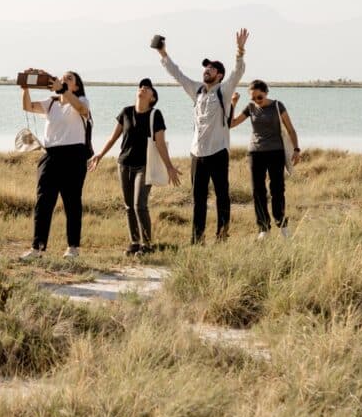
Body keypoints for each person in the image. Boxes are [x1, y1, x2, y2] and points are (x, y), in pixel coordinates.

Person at [156, 29, 248, 244]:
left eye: (212, 68)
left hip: (218, 152)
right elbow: (177, 74)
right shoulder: (196, 90)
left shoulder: (223, 91)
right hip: (197, 153)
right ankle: (197, 239)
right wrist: (163, 53)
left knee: (222, 196)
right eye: (206, 67)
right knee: (198, 199)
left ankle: (222, 235)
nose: (207, 70)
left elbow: (237, 72)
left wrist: (240, 50)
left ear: (219, 75)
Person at [89, 79, 181, 255]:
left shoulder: (156, 114)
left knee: (140, 205)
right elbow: (113, 137)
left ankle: (147, 245)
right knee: (129, 206)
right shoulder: (126, 112)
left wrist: (169, 166)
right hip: (124, 164)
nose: (143, 89)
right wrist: (100, 155)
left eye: (147, 88)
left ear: (152, 98)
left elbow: (160, 143)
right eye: (141, 87)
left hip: (144, 166)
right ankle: (134, 242)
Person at [20, 71, 92, 259]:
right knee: (43, 202)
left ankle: (73, 247)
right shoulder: (50, 102)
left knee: (72, 202)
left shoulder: (81, 100)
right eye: (63, 77)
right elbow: (27, 106)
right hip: (50, 155)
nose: (64, 79)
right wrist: (25, 88)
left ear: (76, 86)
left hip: (74, 155)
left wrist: (63, 90)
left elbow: (83, 110)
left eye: (70, 78)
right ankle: (37, 248)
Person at [230, 80, 301, 239]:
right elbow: (231, 123)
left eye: (259, 97)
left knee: (277, 190)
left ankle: (282, 225)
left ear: (266, 93)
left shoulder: (277, 105)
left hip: (276, 152)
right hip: (255, 153)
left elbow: (290, 129)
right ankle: (263, 228)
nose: (256, 100)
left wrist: (296, 149)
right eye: (253, 98)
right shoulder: (250, 108)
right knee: (258, 191)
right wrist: (233, 103)